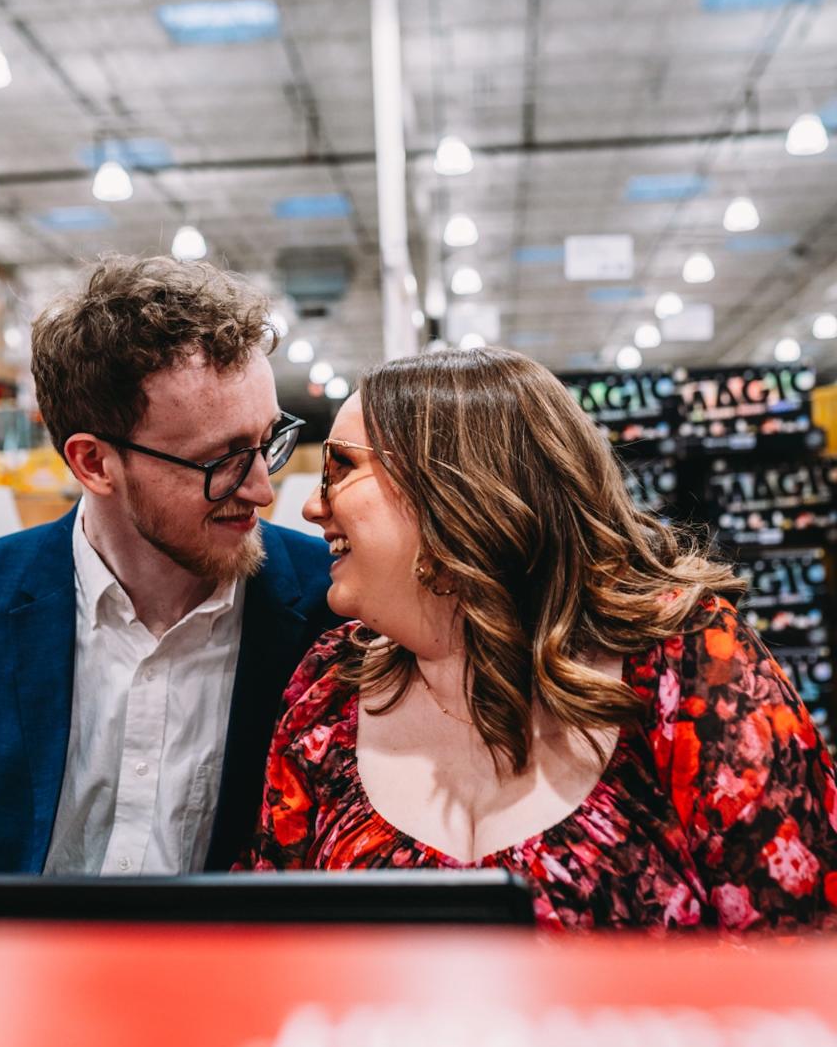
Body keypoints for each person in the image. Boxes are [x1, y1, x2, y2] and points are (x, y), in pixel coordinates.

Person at [240, 347, 837, 930]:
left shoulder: (685, 663)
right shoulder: (329, 686)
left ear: (454, 490)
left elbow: (805, 947)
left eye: (340, 467)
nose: (312, 506)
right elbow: (275, 940)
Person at [0, 256, 338, 874]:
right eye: (220, 460)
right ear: (94, 463)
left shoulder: (327, 608)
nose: (262, 489)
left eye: (268, 441)